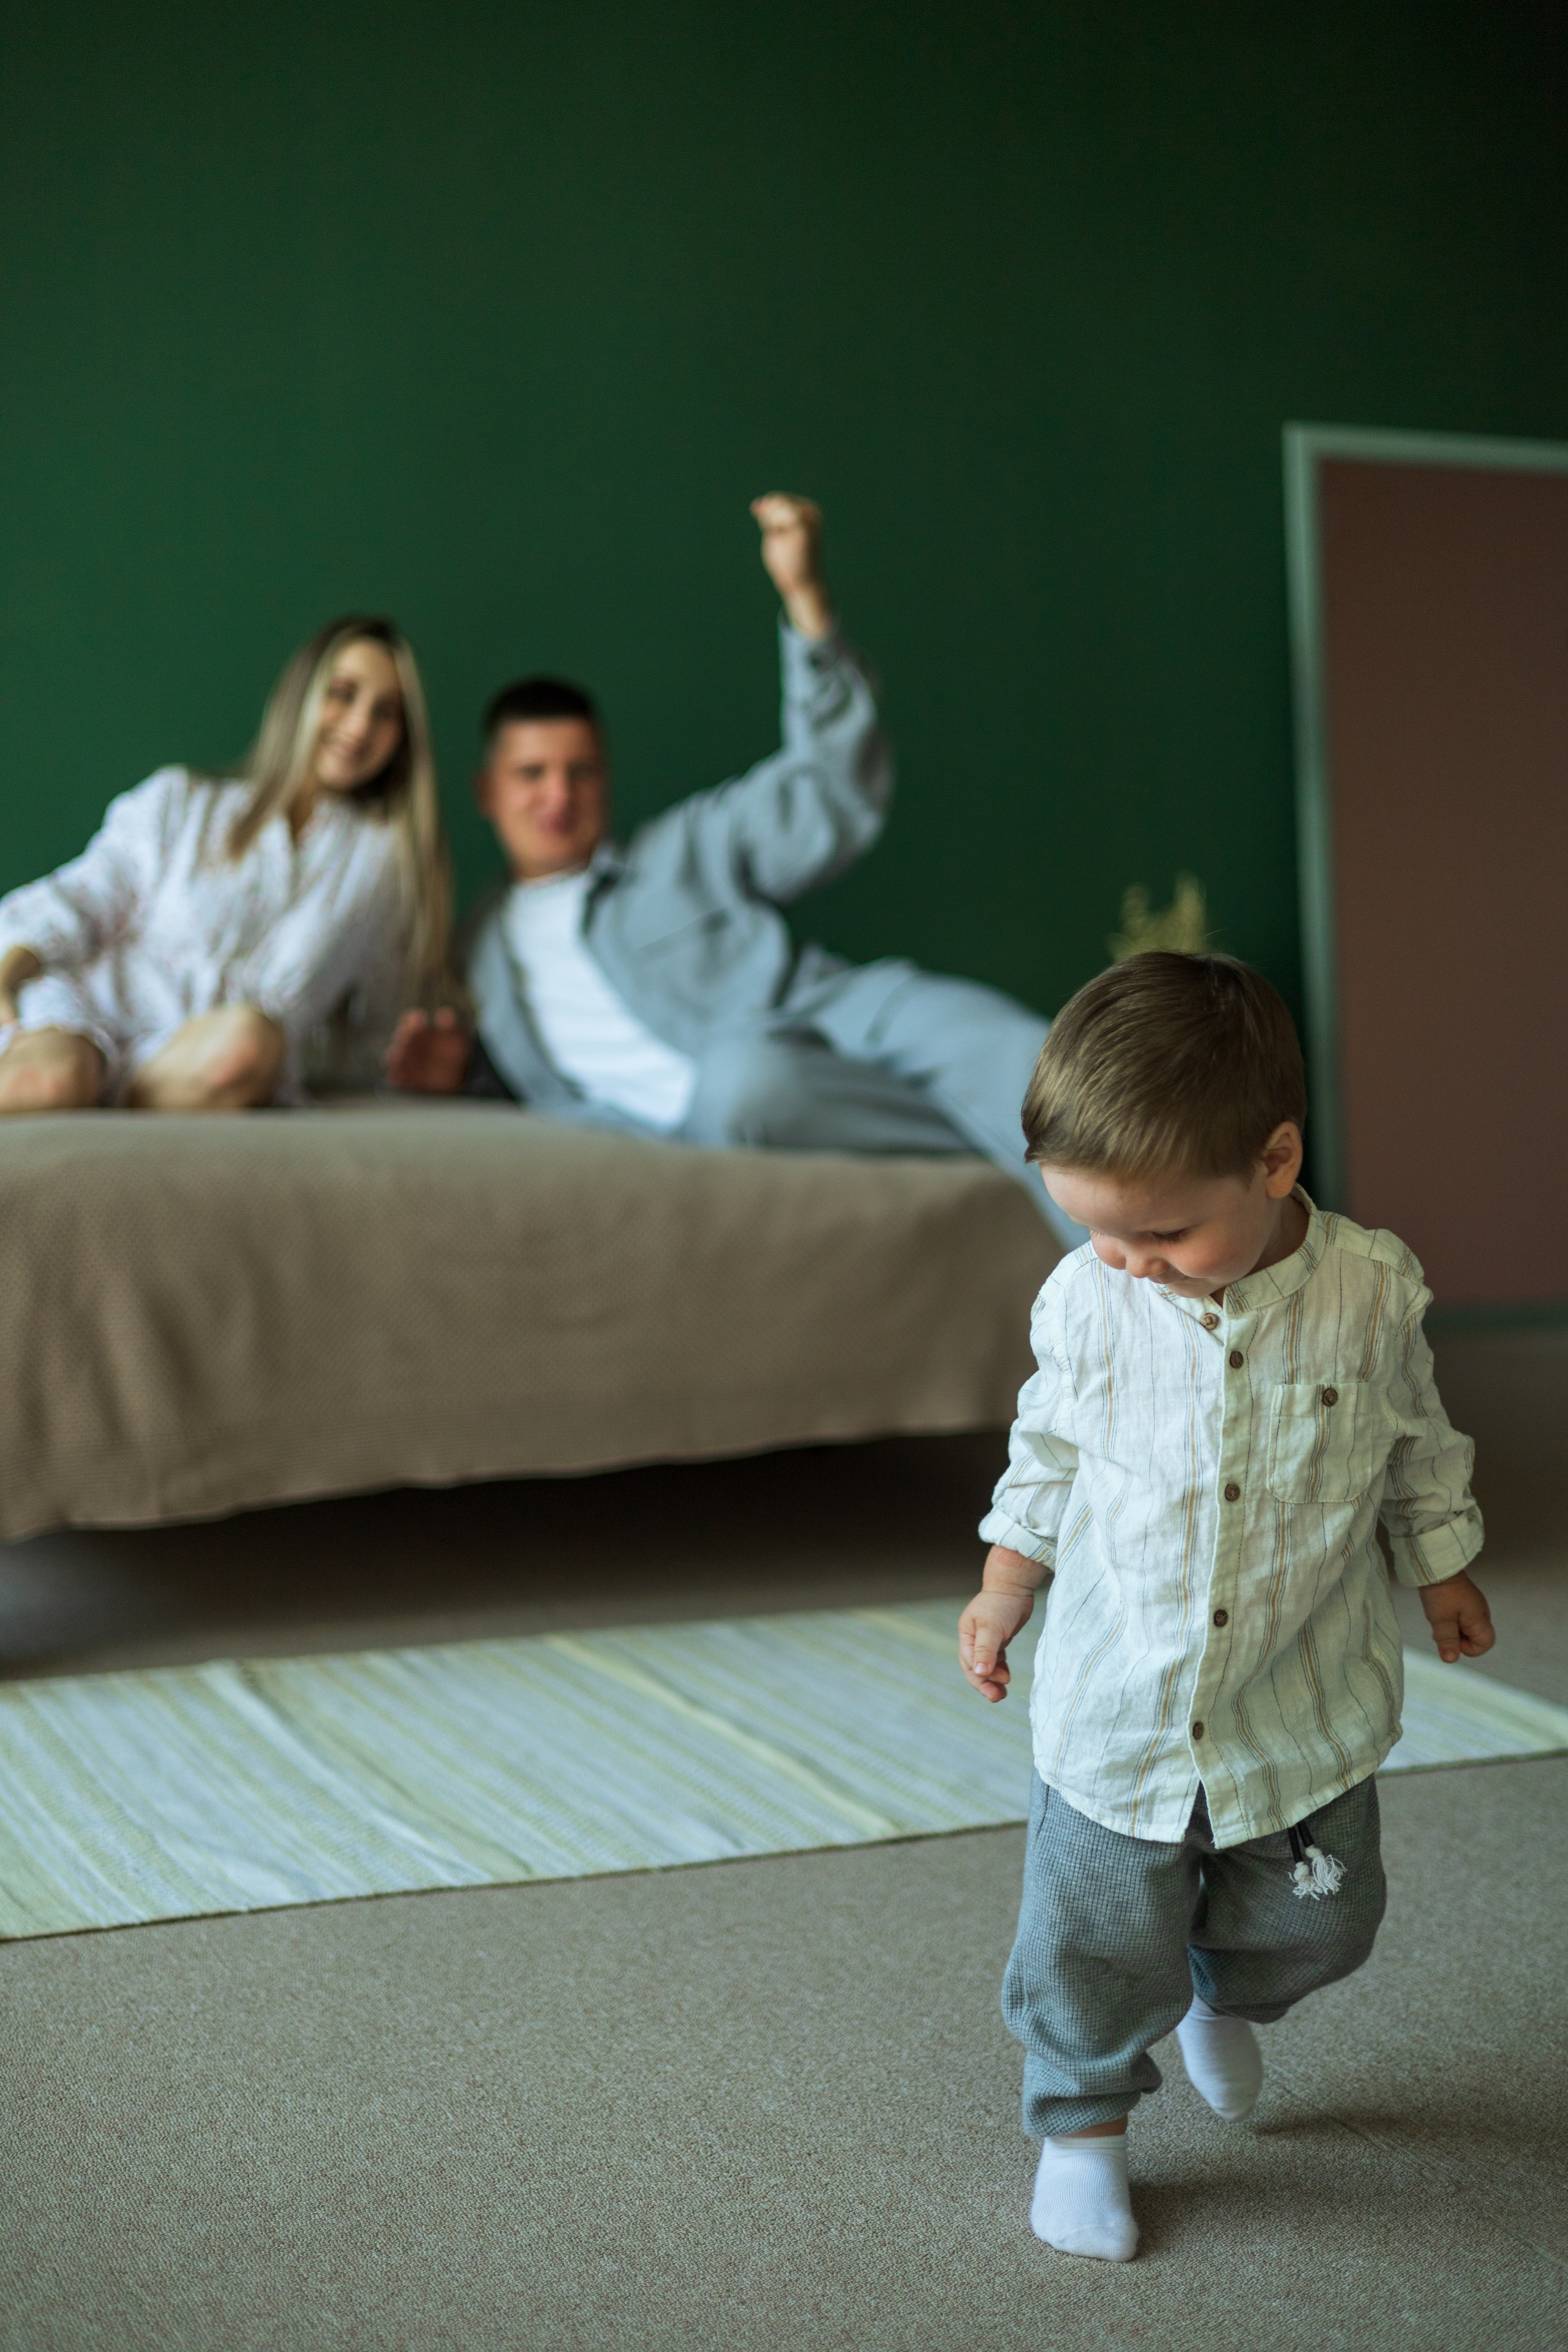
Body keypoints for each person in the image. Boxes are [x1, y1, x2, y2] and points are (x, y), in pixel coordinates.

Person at [957, 951, 1491, 2262]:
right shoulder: (1089, 1300)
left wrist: (1440, 1561)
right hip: (1119, 1703)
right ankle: (1079, 2129)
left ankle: (1219, 1989)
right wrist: (1003, 1584)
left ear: (1272, 1160)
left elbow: (1411, 1440)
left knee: (1324, 1917)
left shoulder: (1370, 1294)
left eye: (1163, 1235)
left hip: (1293, 1693)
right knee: (1090, 1940)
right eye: (1097, 1230)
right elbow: (1047, 1453)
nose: (1130, 1264)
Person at [385, 495, 1079, 1241]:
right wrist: (454, 1075)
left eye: (581, 771)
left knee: (1028, 1052)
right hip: (738, 1100)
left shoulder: (681, 845)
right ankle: (1004, 1157)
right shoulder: (473, 955)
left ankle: (1172, 1282)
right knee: (745, 1083)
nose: (559, 794)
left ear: (607, 781)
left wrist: (805, 601)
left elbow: (828, 791)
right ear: (487, 792)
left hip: (840, 1020)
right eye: (532, 774)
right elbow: (521, 1079)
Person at [0, 616, 450, 1112]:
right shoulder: (182, 802)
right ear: (300, 697)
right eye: (343, 694)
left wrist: (425, 1061)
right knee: (55, 1080)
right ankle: (85, 1086)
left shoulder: (385, 863)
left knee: (249, 1045)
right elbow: (84, 897)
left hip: (203, 1060)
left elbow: (382, 1021)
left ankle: (112, 1094)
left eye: (386, 712)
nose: (360, 726)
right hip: (86, 1012)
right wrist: (8, 971)